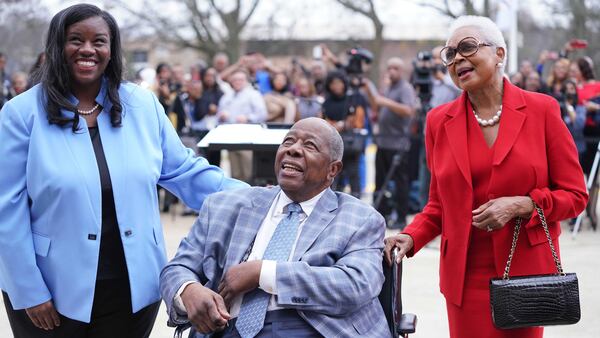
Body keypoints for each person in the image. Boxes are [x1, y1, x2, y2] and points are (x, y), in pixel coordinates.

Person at [0, 4, 246, 338]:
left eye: (99, 41)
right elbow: (6, 210)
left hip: (133, 289)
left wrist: (260, 200)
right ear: (57, 47)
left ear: (112, 50)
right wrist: (28, 289)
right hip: (51, 292)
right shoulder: (20, 114)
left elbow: (187, 173)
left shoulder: (142, 106)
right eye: (76, 39)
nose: (88, 49)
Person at [384, 16, 587, 338]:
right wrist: (410, 236)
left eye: (467, 47)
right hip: (464, 277)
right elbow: (438, 204)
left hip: (525, 275)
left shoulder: (542, 110)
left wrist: (523, 204)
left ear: (500, 54)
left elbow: (576, 196)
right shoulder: (438, 121)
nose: (457, 59)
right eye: (450, 54)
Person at [160, 117, 389, 338]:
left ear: (333, 170)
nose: (294, 149)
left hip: (313, 328)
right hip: (229, 327)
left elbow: (356, 285)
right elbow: (177, 268)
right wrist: (188, 290)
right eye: (288, 141)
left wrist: (263, 273)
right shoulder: (224, 205)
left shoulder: (359, 218)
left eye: (310, 146)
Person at [367, 57, 417, 229]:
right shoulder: (387, 88)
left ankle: (401, 218)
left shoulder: (406, 89)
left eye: (395, 68)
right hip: (382, 142)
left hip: (398, 143)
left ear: (401, 71)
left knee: (400, 183)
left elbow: (409, 111)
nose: (392, 71)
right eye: (389, 68)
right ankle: (381, 215)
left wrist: (385, 102)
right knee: (380, 182)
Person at [322, 70, 368, 198]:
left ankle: (356, 201)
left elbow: (358, 121)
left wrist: (344, 124)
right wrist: (334, 125)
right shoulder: (326, 102)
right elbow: (323, 120)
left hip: (350, 145)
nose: (336, 86)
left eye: (339, 83)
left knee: (354, 174)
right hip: (332, 146)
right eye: (333, 83)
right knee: (333, 175)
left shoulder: (353, 99)